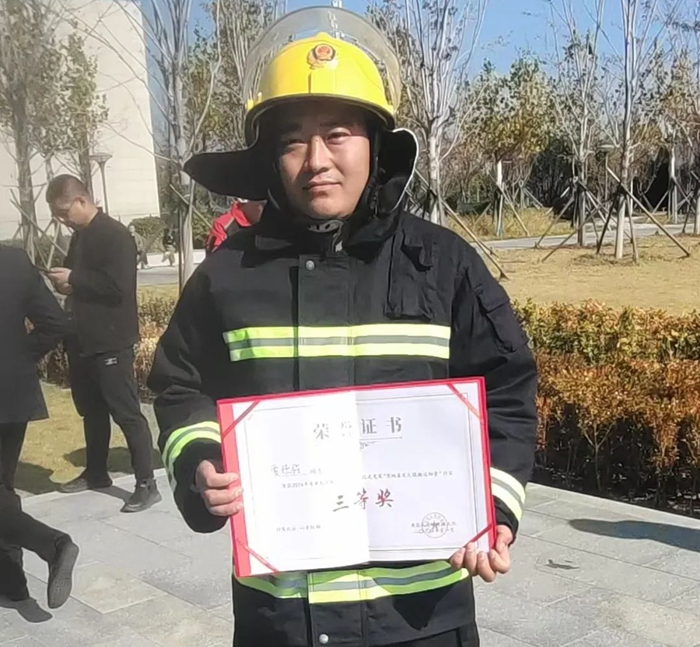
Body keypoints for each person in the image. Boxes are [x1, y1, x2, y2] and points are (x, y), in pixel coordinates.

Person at [148, 7, 537, 647]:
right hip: (281, 618)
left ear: (375, 144)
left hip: (419, 616)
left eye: (337, 134)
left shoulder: (443, 265)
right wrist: (200, 460)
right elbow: (180, 383)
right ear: (269, 158)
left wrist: (490, 508)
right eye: (292, 141)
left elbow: (508, 388)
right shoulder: (228, 275)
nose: (316, 160)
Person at [45, 175, 161, 513]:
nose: (62, 220)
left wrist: (75, 278)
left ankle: (146, 483)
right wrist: (67, 284)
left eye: (64, 212)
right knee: (91, 410)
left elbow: (117, 287)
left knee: (126, 412)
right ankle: (96, 472)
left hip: (111, 339)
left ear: (81, 201)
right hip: (82, 337)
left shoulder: (115, 235)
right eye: (57, 215)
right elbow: (83, 281)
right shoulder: (80, 237)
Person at [0, 245, 79, 608]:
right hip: (13, 390)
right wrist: (18, 358)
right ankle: (12, 581)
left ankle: (53, 544)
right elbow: (55, 322)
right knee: (3, 487)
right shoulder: (14, 259)